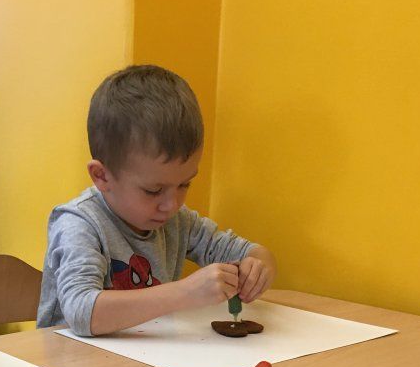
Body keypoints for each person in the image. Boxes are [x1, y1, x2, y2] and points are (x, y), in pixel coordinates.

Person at [36, 64, 275, 336]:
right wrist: (184, 293)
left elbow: (254, 253)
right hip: (64, 360)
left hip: (143, 356)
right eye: (153, 190)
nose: (172, 204)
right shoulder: (78, 223)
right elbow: (81, 312)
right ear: (102, 176)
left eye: (184, 184)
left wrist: (258, 267)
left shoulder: (178, 221)